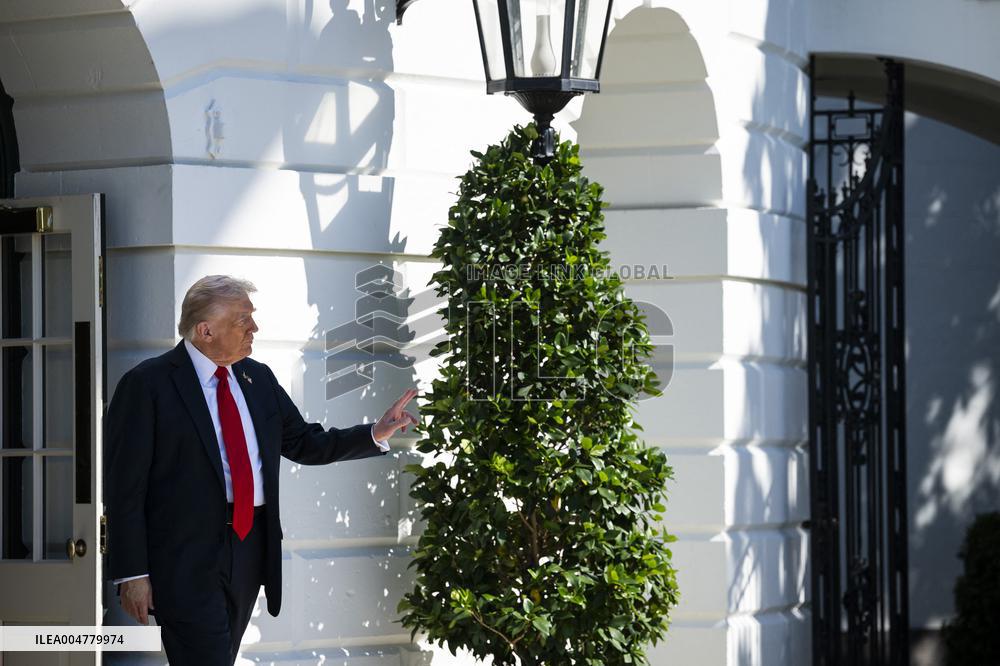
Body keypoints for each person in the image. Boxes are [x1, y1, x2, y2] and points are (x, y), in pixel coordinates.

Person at [105, 275, 418, 664]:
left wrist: (375, 432)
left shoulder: (257, 379)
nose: (254, 328)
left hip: (251, 547)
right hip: (183, 557)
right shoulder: (147, 384)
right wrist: (131, 572)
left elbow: (305, 442)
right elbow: (124, 487)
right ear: (205, 330)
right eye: (243, 320)